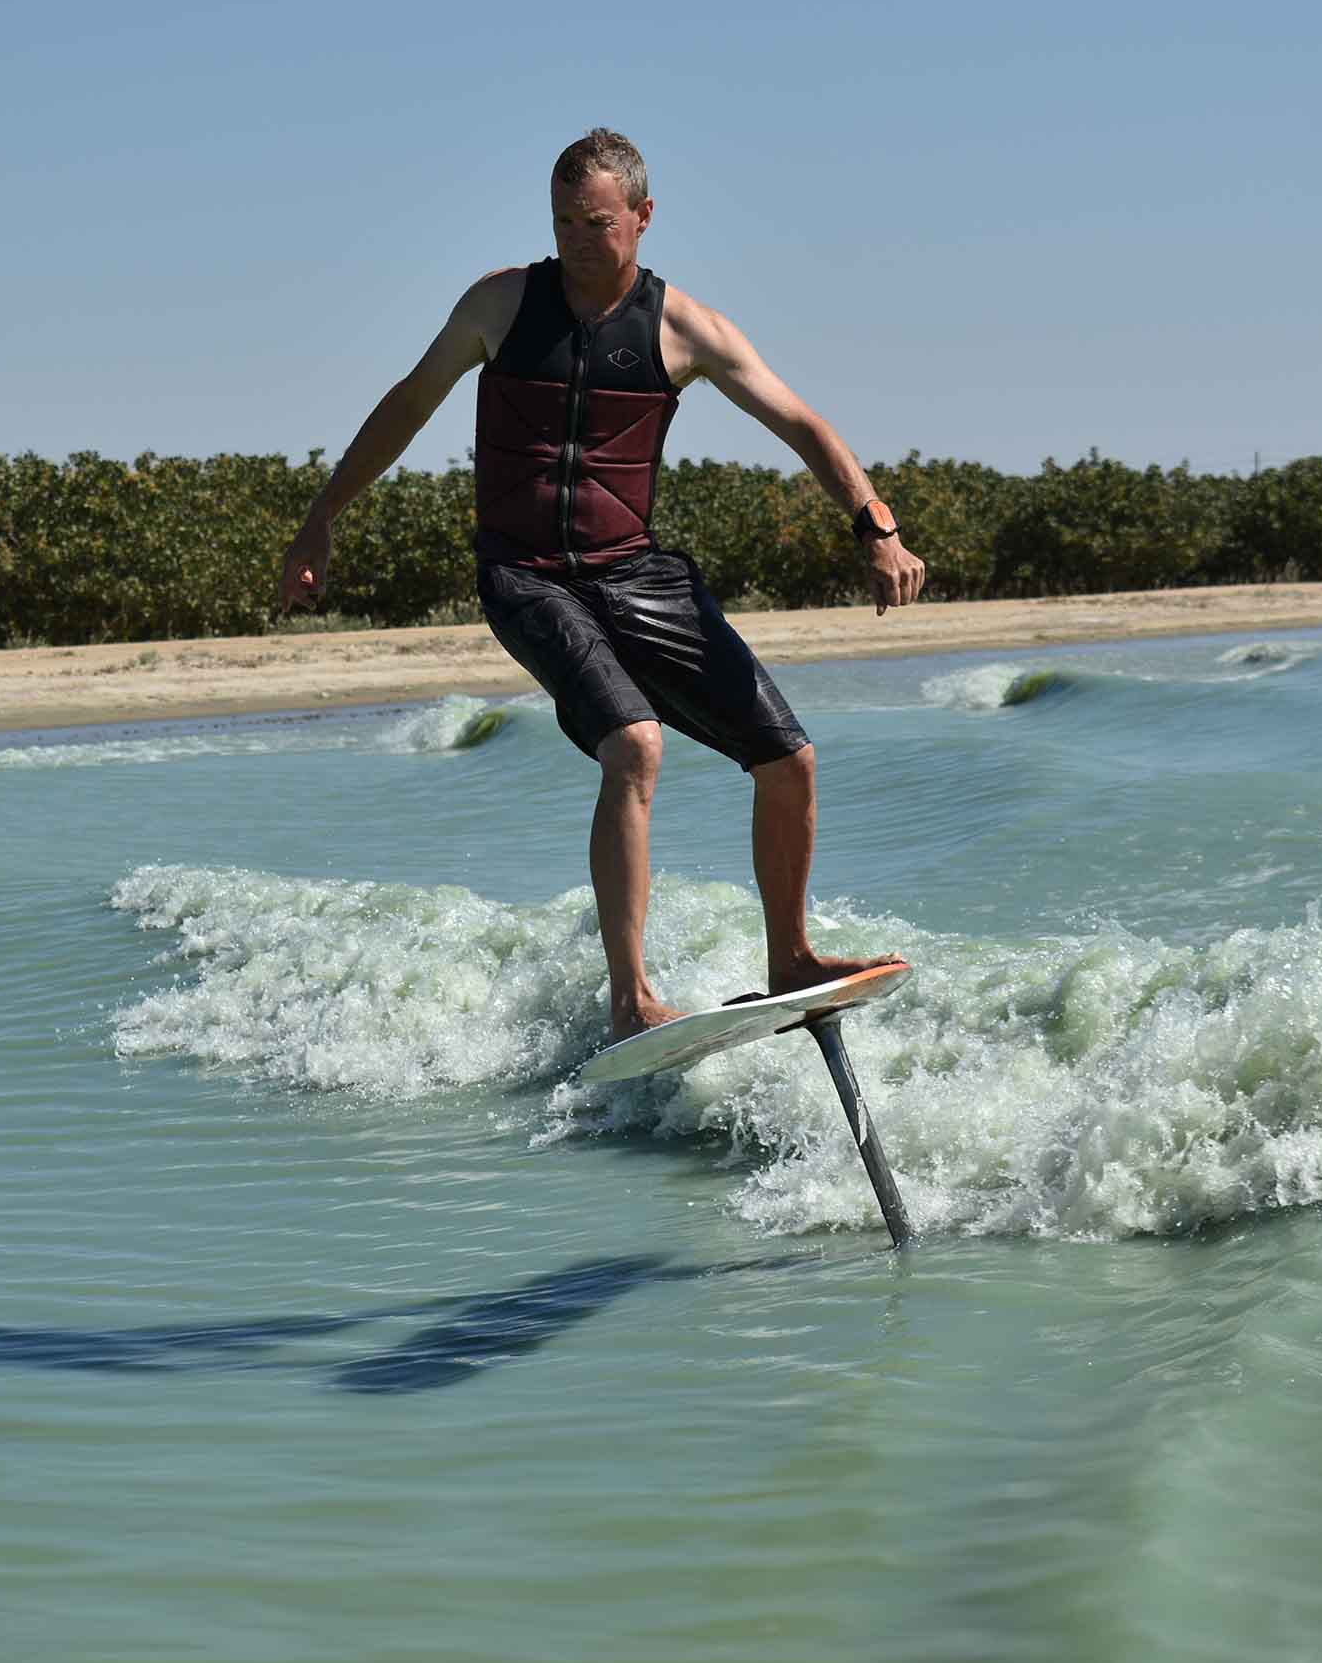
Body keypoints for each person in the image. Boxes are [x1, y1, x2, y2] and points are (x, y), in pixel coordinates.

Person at [277, 129, 926, 1040]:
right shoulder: (502, 304)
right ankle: (631, 1000)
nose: (579, 241)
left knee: (790, 762)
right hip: (526, 574)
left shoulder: (685, 328)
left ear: (644, 216)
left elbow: (803, 425)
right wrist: (323, 516)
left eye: (598, 223)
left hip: (636, 570)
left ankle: (791, 957)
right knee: (634, 746)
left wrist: (875, 524)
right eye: (564, 223)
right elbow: (408, 405)